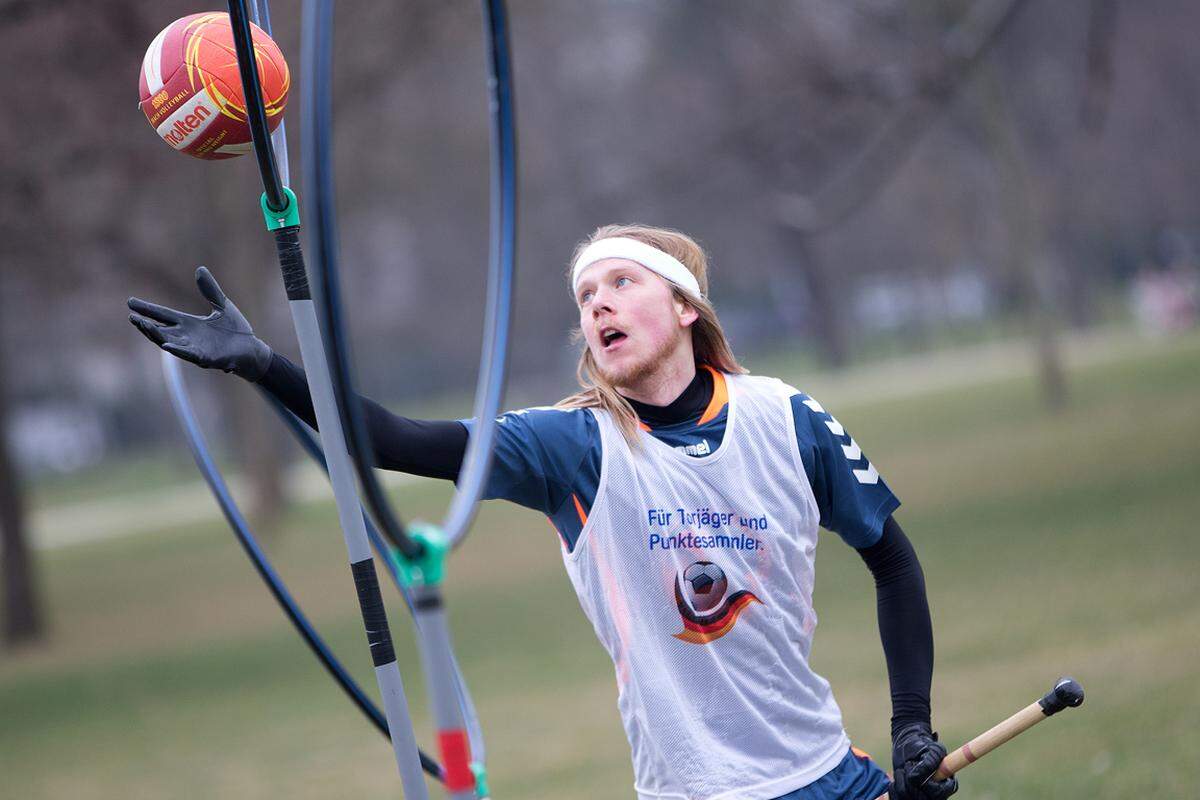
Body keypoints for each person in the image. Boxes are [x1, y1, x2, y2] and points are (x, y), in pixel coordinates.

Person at [128, 223, 958, 800]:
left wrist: (913, 731)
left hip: (830, 775)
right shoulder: (575, 448)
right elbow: (396, 438)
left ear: (685, 308)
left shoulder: (788, 418)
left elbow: (893, 558)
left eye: (621, 283)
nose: (596, 305)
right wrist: (267, 367)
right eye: (585, 295)